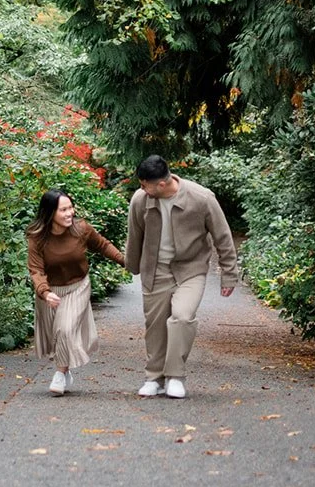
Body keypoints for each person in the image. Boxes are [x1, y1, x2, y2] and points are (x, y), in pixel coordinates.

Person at [124, 154, 240, 399]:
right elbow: (135, 236)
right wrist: (133, 267)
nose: (141, 188)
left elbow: (222, 236)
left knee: (182, 317)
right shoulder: (140, 200)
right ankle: (154, 378)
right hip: (156, 271)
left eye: (145, 184)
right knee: (155, 327)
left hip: (191, 269)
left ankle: (175, 375)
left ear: (162, 184)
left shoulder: (201, 198)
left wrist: (229, 275)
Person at [26, 188, 126, 395]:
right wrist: (45, 292)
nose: (69, 213)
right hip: (51, 292)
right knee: (57, 337)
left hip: (77, 287)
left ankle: (60, 375)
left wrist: (125, 261)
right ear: (50, 213)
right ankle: (65, 369)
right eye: (63, 210)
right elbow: (36, 269)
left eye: (71, 208)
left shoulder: (81, 229)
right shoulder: (37, 238)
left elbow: (103, 245)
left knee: (64, 329)